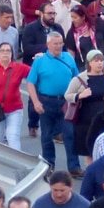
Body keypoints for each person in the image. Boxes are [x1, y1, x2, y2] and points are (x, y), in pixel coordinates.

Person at [26, 30, 82, 174]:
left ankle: (74, 167)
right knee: (46, 136)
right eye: (55, 44)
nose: (58, 46)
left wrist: (77, 97)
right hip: (46, 101)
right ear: (48, 44)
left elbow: (77, 78)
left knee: (69, 134)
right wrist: (36, 102)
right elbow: (30, 83)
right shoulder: (39, 61)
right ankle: (48, 166)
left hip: (66, 101)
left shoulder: (68, 58)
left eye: (60, 43)